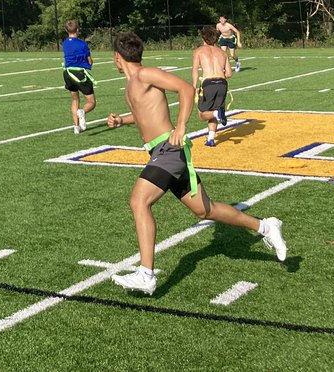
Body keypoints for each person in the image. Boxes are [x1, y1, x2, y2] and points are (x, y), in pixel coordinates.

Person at [106, 31, 287, 296]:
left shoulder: (144, 75)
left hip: (169, 150)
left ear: (116, 58)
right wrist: (122, 120)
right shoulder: (132, 85)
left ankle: (146, 274)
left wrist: (180, 126)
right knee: (206, 210)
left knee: (139, 202)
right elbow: (143, 113)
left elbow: (187, 89)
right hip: (162, 151)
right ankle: (265, 226)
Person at [191, 25, 231, 146]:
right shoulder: (223, 53)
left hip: (208, 83)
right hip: (222, 83)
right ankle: (211, 139)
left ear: (203, 37)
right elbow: (228, 73)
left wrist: (194, 86)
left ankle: (217, 114)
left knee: (203, 113)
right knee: (215, 109)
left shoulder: (199, 51)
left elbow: (195, 70)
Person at [61, 20, 95, 133]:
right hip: (79, 74)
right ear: (78, 30)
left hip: (68, 73)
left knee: (75, 99)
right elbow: (89, 61)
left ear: (66, 30)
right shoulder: (82, 44)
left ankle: (76, 127)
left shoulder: (65, 43)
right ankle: (83, 112)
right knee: (91, 102)